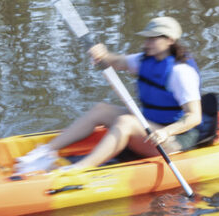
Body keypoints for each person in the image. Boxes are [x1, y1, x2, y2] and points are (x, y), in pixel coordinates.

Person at [14, 15, 204, 177]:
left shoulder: (181, 73)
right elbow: (115, 61)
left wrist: (166, 132)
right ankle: (45, 152)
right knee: (101, 109)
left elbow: (194, 117)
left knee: (126, 122)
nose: (147, 43)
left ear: (170, 40)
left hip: (173, 140)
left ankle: (79, 170)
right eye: (146, 38)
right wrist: (100, 53)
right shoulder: (145, 59)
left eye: (152, 39)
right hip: (149, 125)